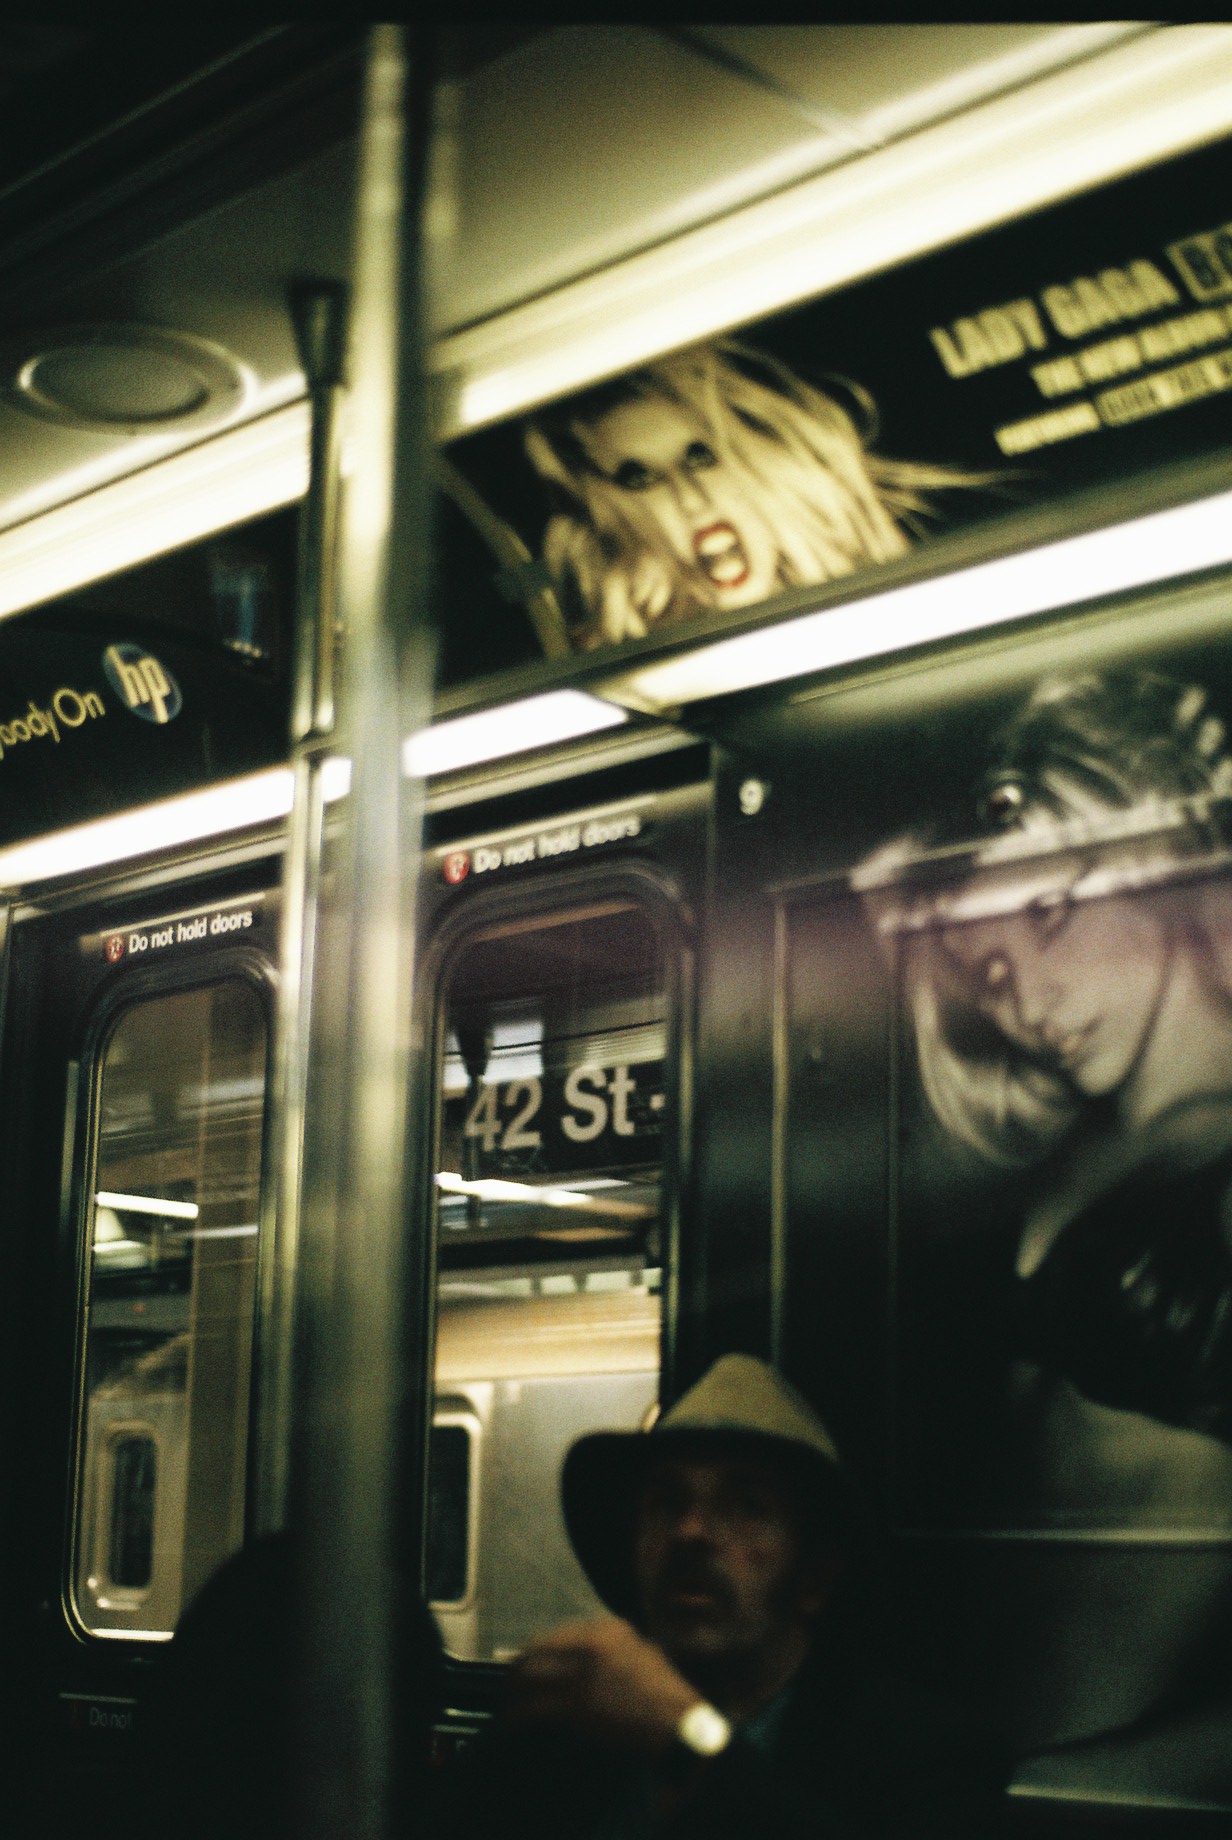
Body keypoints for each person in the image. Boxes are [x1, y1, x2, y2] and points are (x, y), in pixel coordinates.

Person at [856, 666, 1232, 1772]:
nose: (1024, 1002)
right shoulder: (1062, 1161)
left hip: (1114, 1775)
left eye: (1046, 914)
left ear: (1143, 849)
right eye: (984, 975)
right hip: (992, 1760)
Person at [443, 1352, 1007, 1840]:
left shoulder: (921, 1756)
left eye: (747, 1506)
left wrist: (686, 1739)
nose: (689, 1532)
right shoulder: (568, 1738)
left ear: (812, 1576)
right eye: (666, 1502)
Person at [523, 339, 989, 649]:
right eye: (639, 477)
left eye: (701, 456)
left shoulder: (901, 619)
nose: (690, 498)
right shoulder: (639, 688)